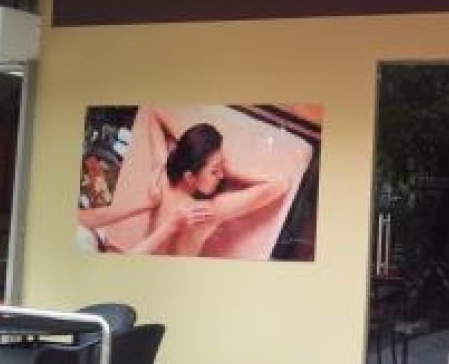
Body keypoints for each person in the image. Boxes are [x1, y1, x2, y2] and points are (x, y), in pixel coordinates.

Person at [78, 107, 290, 256]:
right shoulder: (208, 210)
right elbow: (281, 184)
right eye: (215, 171)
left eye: (223, 167)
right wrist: (234, 172)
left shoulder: (162, 181)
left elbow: (153, 112)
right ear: (190, 177)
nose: (222, 175)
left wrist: (185, 155)